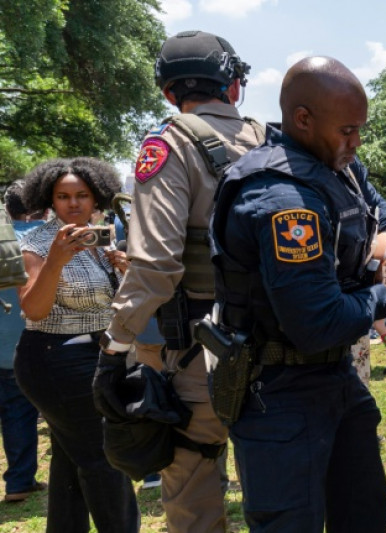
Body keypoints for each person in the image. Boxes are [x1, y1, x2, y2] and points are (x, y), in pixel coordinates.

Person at [209, 56, 386, 531]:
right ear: (302, 119)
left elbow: (385, 216)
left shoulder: (336, 166)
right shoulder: (282, 198)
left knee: (364, 513)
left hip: (336, 379)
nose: (356, 143)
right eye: (348, 131)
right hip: (278, 393)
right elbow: (317, 323)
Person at [91, 30, 264, 532]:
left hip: (197, 349)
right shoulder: (273, 142)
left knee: (192, 486)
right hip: (279, 341)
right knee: (280, 488)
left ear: (169, 92)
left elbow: (154, 267)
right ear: (234, 85)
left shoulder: (167, 146)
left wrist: (113, 346)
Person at [14, 158, 138, 532]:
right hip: (54, 360)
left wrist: (126, 270)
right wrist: (55, 259)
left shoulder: (103, 237)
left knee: (72, 463)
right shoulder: (36, 243)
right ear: (49, 199)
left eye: (82, 195)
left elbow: (114, 302)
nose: (73, 204)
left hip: (96, 357)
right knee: (105, 459)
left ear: (95, 196)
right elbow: (33, 308)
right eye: (63, 196)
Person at [0, 181, 46, 503]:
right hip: (32, 345)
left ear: (8, 208)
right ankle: (19, 480)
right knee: (20, 412)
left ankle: (20, 480)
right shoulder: (51, 239)